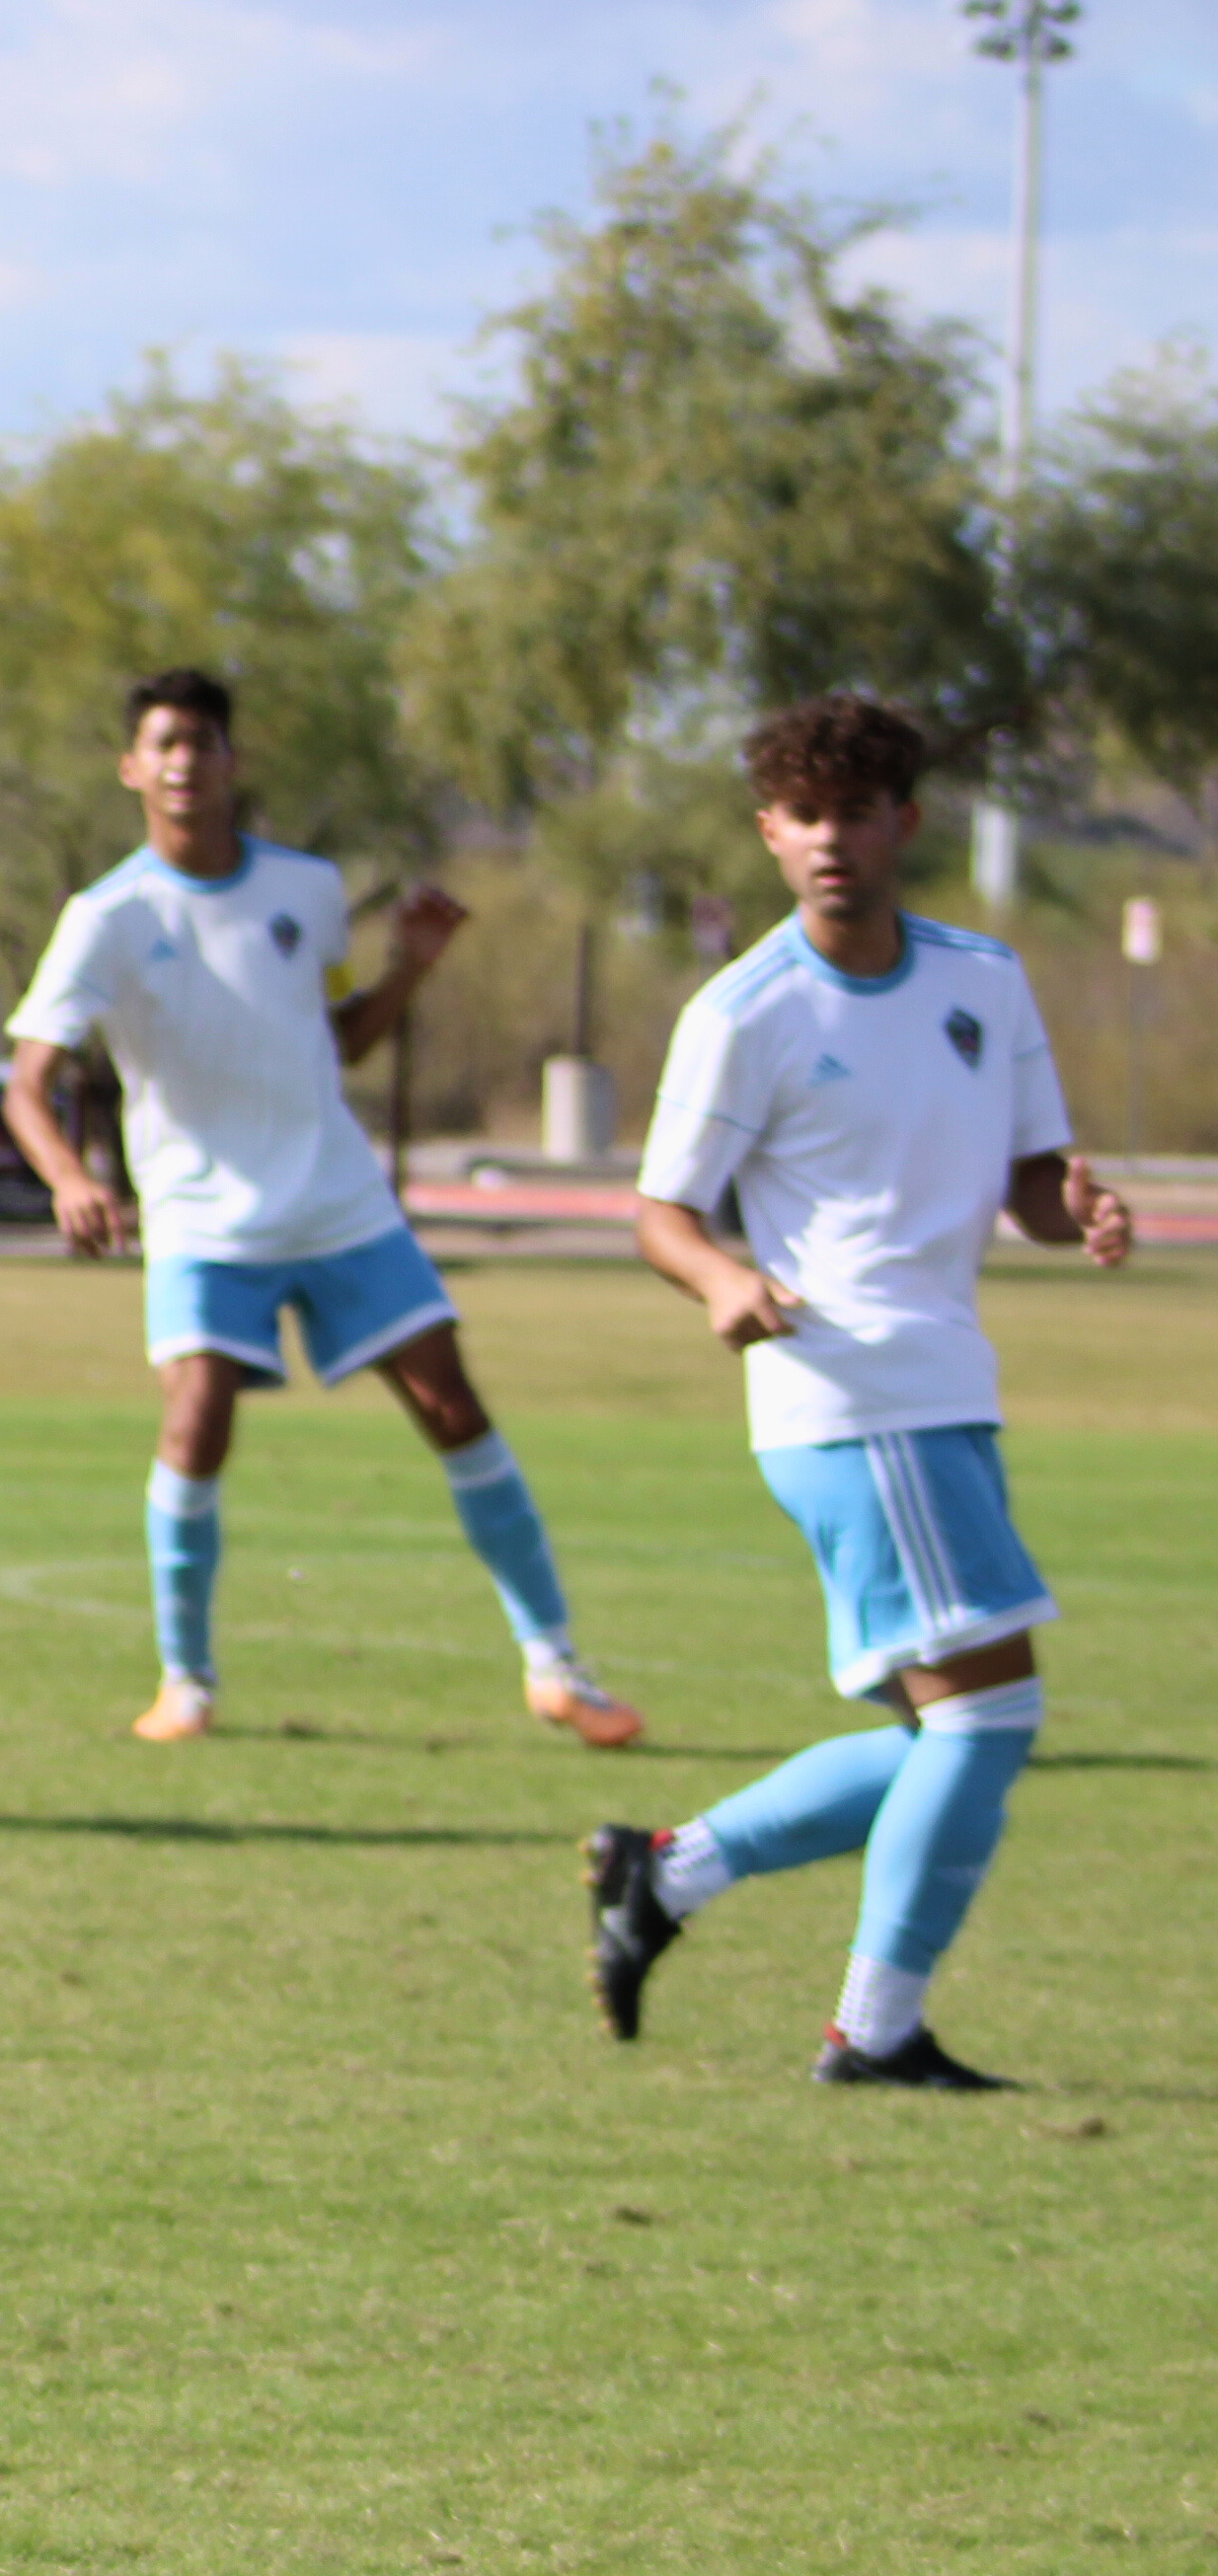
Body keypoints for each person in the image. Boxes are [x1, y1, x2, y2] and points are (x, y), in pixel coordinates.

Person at [587, 692, 1130, 2089]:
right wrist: (721, 1283)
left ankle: (670, 1872)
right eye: (803, 816)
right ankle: (872, 2033)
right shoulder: (747, 1010)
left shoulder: (983, 981)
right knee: (989, 1720)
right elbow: (662, 1213)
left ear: (906, 823)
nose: (831, 839)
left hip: (945, 1388)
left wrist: (1082, 1212)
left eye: (856, 812)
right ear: (771, 833)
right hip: (846, 1391)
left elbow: (1031, 1186)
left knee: (947, 1734)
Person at [1, 668, 643, 1751]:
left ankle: (557, 1666)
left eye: (203, 741)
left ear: (232, 762)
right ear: (130, 767)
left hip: (339, 1200)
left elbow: (336, 1039)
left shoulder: (306, 889)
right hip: (204, 1215)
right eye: (162, 742)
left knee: (453, 1406)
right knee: (196, 1417)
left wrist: (410, 971)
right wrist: (70, 1175)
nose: (183, 760)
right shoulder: (107, 917)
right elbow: (27, 1083)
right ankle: (186, 1684)